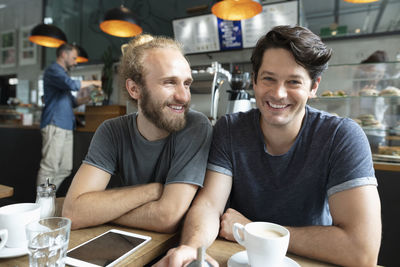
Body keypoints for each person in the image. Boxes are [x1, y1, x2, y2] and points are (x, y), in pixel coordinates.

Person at [155, 25, 381, 267]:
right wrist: (191, 248)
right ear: (254, 80)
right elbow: (210, 204)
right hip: (240, 259)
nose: (278, 93)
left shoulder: (341, 136)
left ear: (313, 87)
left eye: (293, 82)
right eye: (268, 79)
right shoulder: (230, 129)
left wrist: (253, 231)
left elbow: (362, 251)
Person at [62, 34, 213, 232]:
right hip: (130, 242)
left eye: (187, 84)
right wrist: (153, 191)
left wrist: (101, 213)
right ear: (134, 89)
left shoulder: (195, 126)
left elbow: (167, 217)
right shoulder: (112, 131)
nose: (184, 96)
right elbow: (74, 212)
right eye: (169, 82)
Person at [37, 43, 101, 190]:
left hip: (66, 125)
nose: (75, 61)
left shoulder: (63, 75)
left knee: (65, 168)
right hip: (55, 123)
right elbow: (71, 84)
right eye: (73, 57)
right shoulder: (54, 70)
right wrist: (94, 82)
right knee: (49, 168)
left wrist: (90, 98)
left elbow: (73, 102)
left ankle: (48, 197)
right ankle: (42, 206)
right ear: (63, 55)